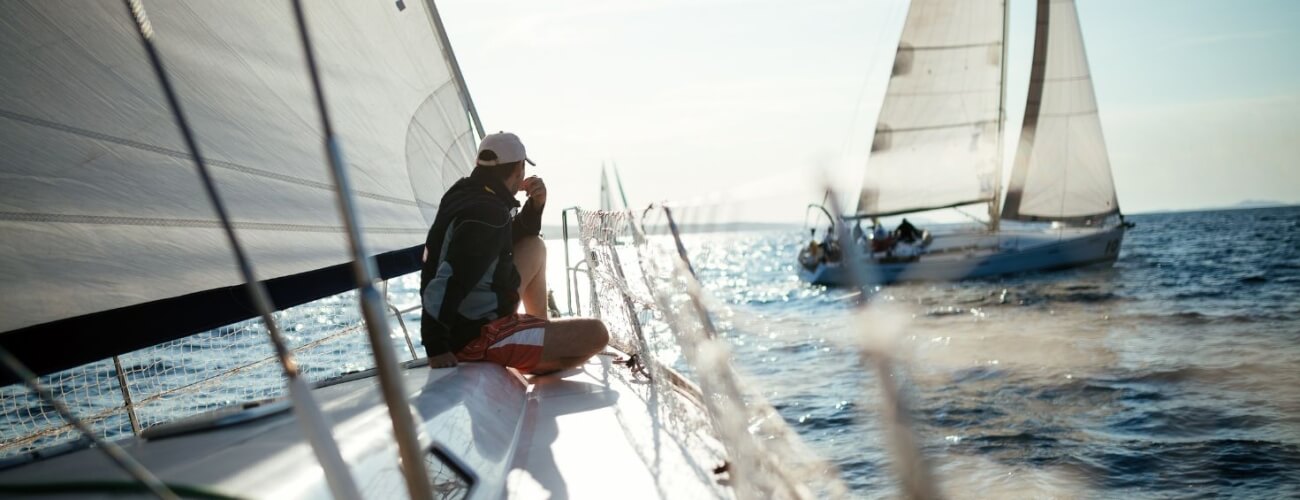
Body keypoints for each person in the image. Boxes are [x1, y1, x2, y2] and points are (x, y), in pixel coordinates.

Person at [420, 132, 609, 374]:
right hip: (477, 334)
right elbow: (448, 281)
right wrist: (437, 348)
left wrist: (536, 205)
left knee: (534, 245)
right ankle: (539, 356)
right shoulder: (486, 214)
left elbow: (507, 237)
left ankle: (539, 331)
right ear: (519, 170)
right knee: (597, 334)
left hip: (477, 314)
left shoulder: (469, 194)